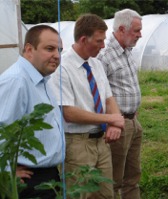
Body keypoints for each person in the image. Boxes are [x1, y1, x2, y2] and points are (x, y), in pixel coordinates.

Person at [49, 13, 124, 199]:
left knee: (106, 194)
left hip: (101, 142)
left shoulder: (96, 64)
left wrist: (115, 124)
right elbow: (68, 112)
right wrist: (111, 118)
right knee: (80, 194)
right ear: (84, 39)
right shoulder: (62, 68)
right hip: (78, 145)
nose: (103, 45)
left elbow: (108, 98)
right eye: (99, 41)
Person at [0, 25, 64, 198]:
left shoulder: (40, 79)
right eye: (49, 49)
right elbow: (2, 129)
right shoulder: (16, 81)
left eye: (59, 50)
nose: (57, 56)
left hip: (46, 175)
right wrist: (5, 171)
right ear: (29, 50)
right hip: (28, 181)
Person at [97, 9, 143, 199]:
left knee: (133, 175)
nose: (140, 35)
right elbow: (98, 95)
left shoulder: (127, 52)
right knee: (115, 178)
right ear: (122, 29)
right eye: (137, 31)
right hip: (118, 125)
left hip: (133, 122)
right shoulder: (104, 57)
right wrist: (111, 122)